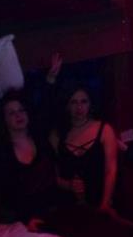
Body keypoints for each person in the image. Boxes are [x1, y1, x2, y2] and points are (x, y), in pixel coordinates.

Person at [0, 90, 61, 231]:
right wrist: (25, 218)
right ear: (4, 119)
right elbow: (4, 193)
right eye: (12, 113)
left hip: (52, 211)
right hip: (18, 219)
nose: (18, 115)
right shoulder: (1, 151)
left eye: (21, 110)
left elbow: (53, 177)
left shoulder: (41, 141)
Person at [50, 86, 119, 217]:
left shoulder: (105, 129)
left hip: (100, 202)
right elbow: (51, 175)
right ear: (67, 105)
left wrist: (105, 203)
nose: (79, 107)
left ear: (90, 104)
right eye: (74, 102)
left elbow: (111, 170)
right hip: (67, 207)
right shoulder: (57, 134)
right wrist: (68, 185)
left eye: (84, 101)